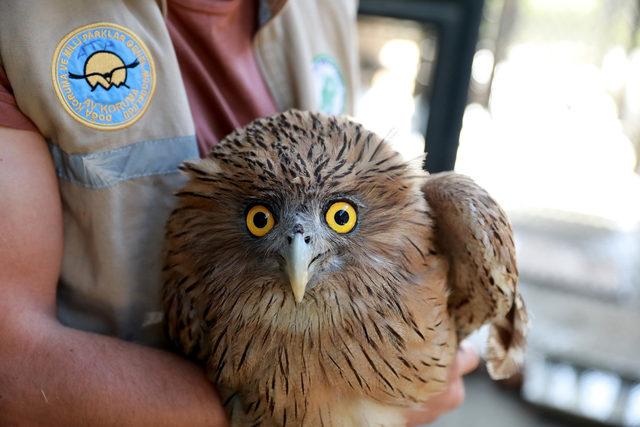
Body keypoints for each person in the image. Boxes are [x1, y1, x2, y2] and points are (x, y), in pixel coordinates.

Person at [0, 0, 478, 424]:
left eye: (338, 219)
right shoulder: (19, 21)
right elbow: (13, 367)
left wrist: (397, 371)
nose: (300, 245)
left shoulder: (326, 6)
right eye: (261, 221)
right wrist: (326, 413)